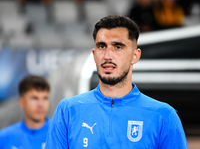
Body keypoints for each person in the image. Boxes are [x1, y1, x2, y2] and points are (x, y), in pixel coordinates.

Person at [45, 15, 188, 149]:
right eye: (102, 46)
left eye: (117, 47)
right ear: (94, 55)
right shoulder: (68, 111)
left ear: (135, 56)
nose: (108, 56)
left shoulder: (163, 116)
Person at [0, 75, 50, 149]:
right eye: (34, 98)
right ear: (22, 102)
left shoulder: (63, 134)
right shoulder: (4, 137)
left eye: (45, 98)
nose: (41, 104)